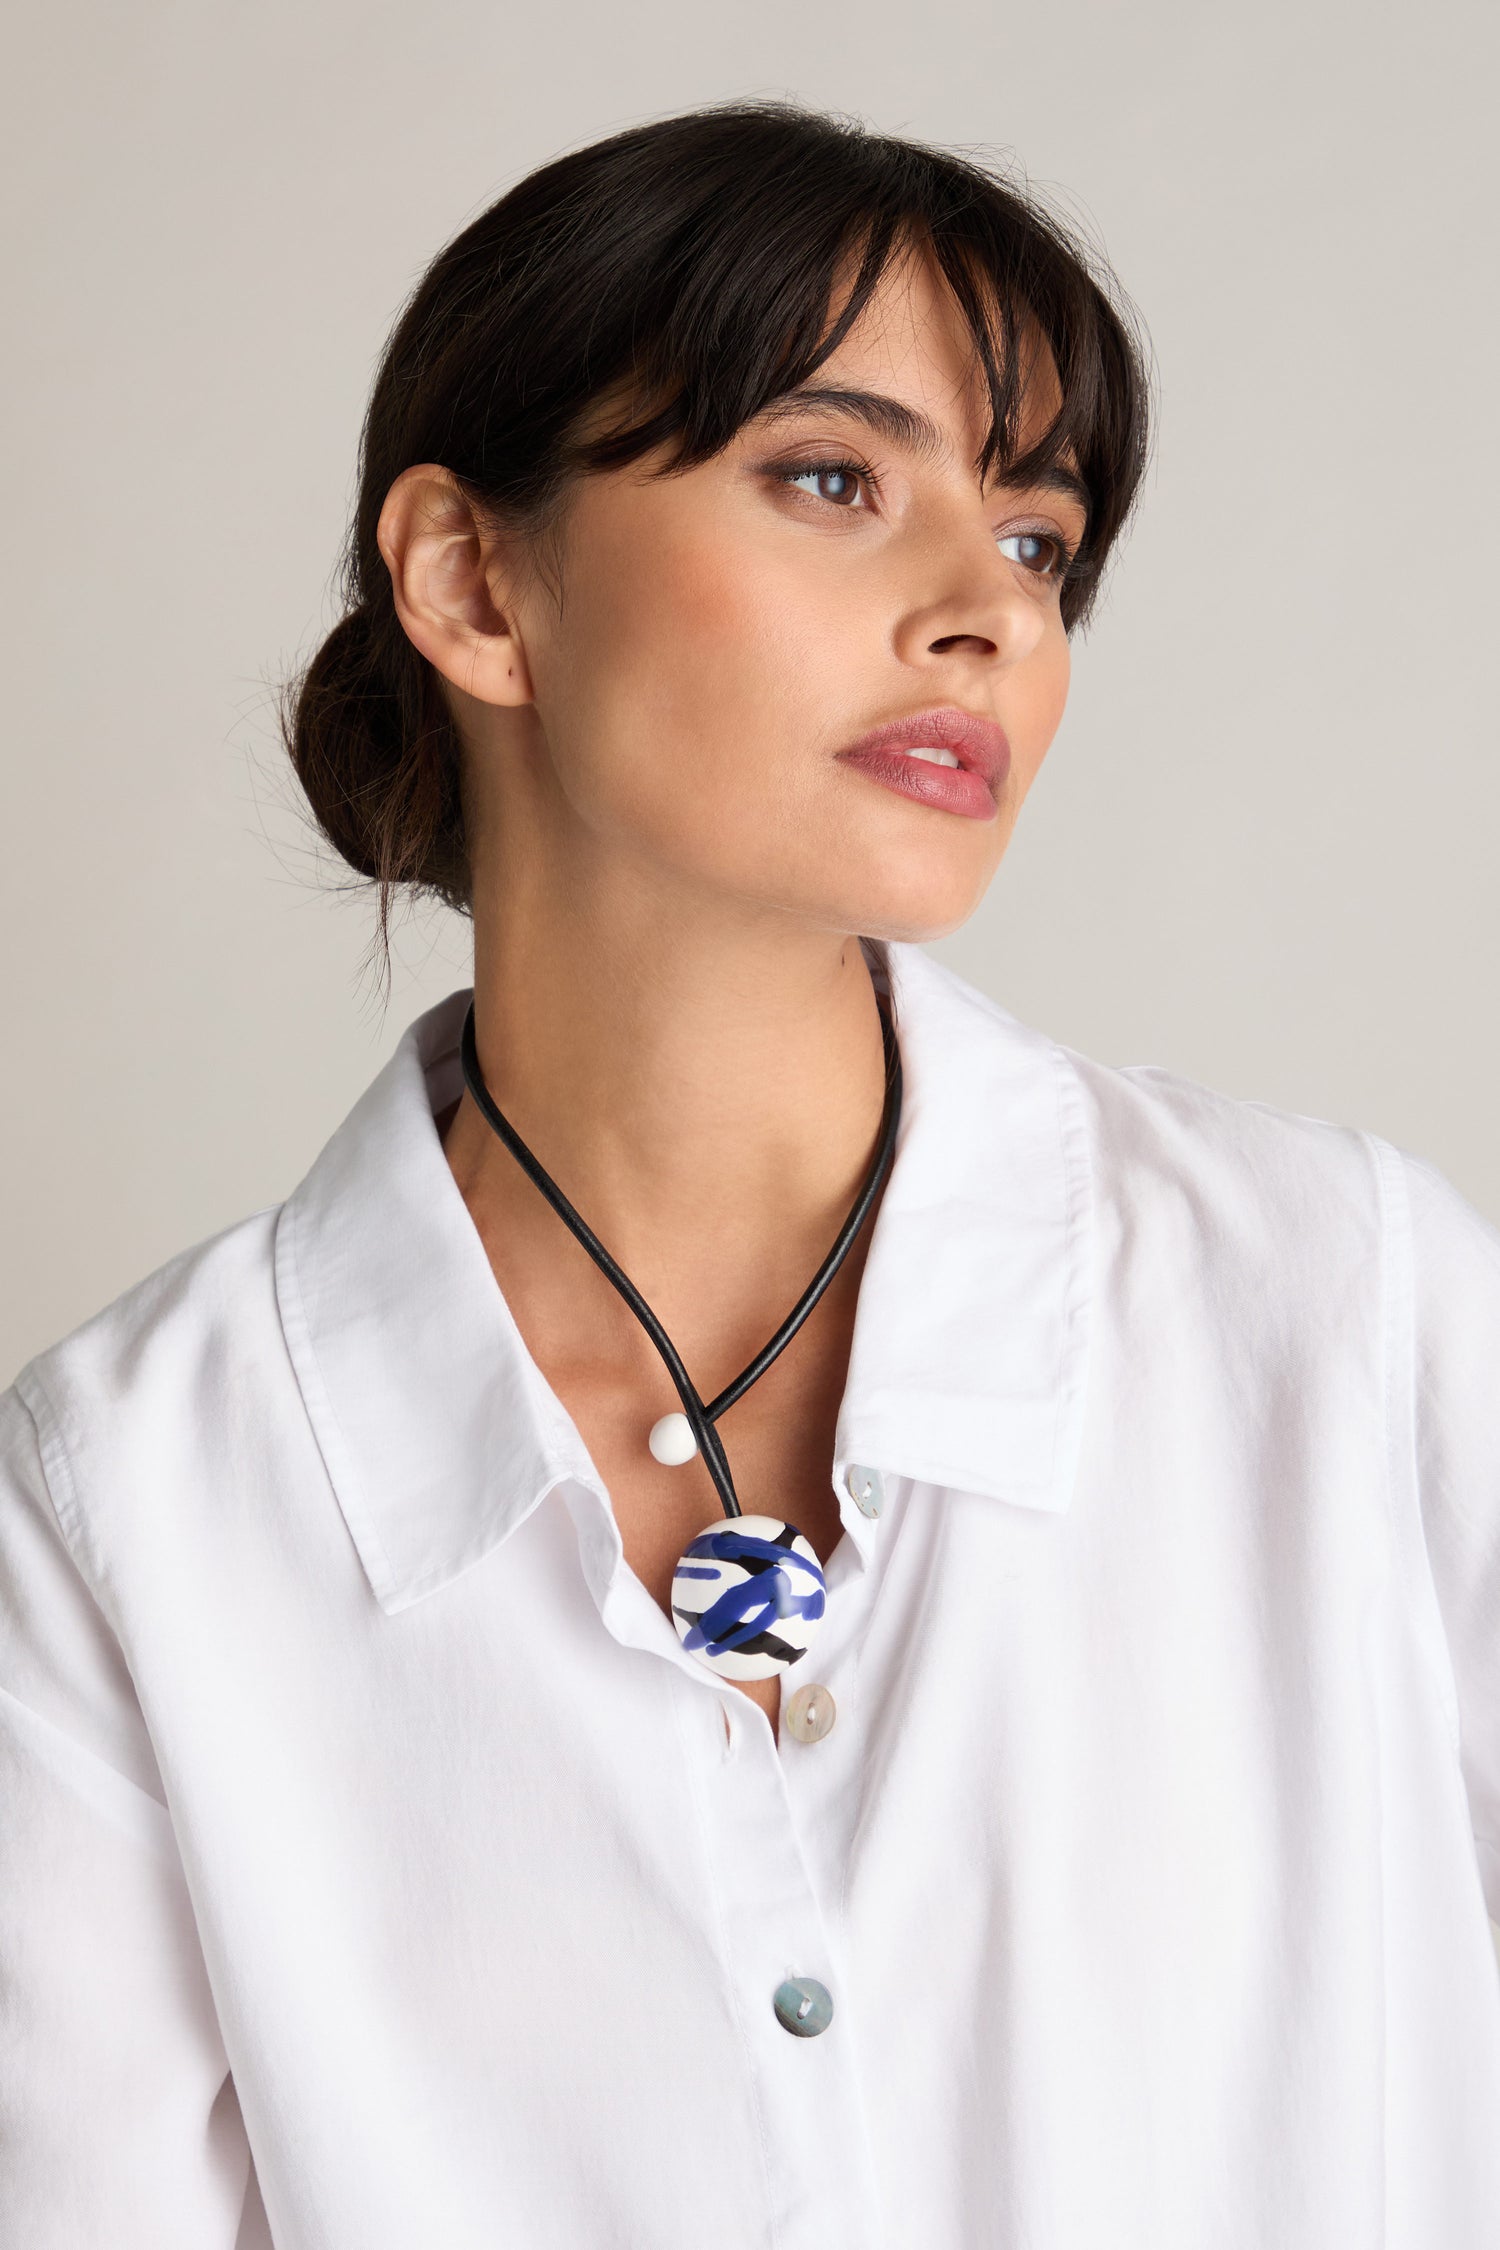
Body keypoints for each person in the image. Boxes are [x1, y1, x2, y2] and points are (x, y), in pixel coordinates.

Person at [1, 97, 1497, 2250]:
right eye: (832, 477)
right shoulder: (130, 1508)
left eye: (1041, 539)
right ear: (471, 580)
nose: (987, 608)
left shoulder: (1344, 1310)